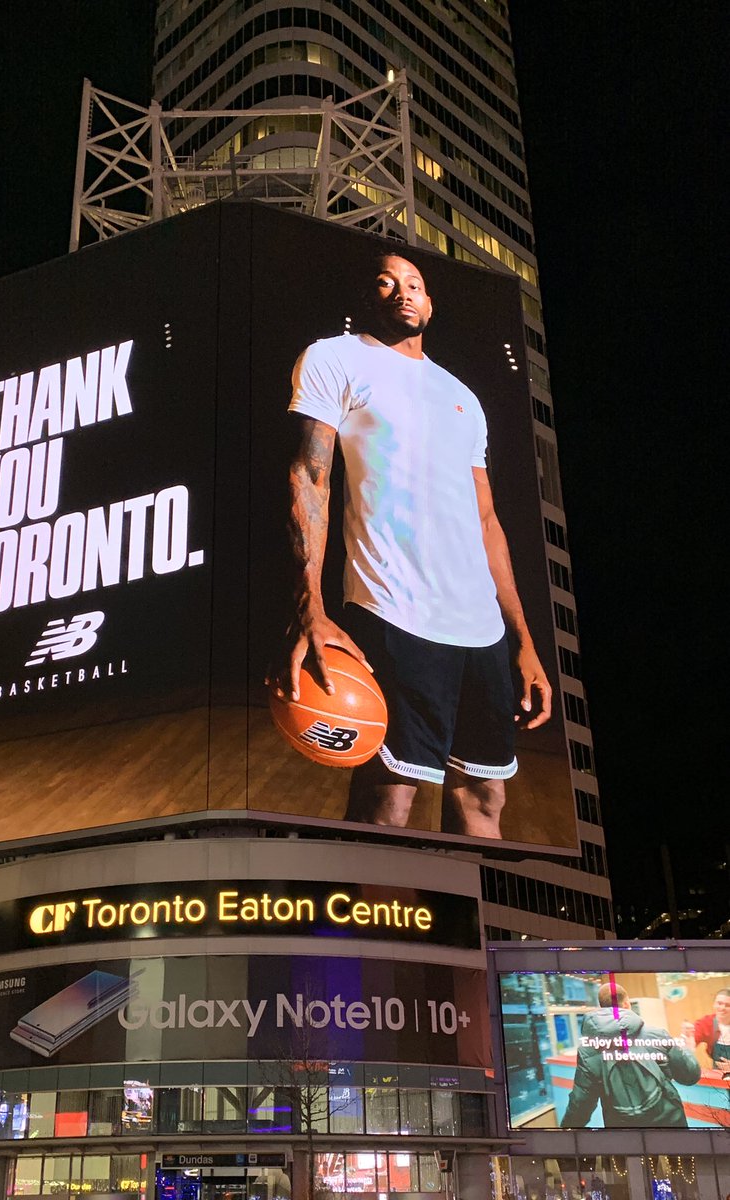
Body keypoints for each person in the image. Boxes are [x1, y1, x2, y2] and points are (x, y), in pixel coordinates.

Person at [271, 253, 551, 838]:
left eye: (416, 284)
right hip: (392, 611)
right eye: (387, 281)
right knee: (388, 802)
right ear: (366, 298)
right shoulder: (335, 358)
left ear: (430, 303)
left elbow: (487, 519)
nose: (404, 291)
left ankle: (472, 931)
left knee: (484, 801)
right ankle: (374, 929)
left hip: (481, 632)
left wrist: (522, 640)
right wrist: (311, 607)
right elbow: (309, 478)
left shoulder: (461, 396)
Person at [560, 983, 700, 1128]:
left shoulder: (588, 1051)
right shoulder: (658, 1035)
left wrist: (566, 1130)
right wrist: (687, 1049)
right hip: (670, 1124)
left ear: (602, 1008)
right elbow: (690, 1076)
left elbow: (581, 1103)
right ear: (627, 1004)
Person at [682, 988, 730, 1075]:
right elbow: (690, 1041)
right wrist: (687, 1041)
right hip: (718, 1074)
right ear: (714, 1004)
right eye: (719, 1003)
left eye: (727, 1005)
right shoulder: (706, 1023)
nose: (722, 1008)